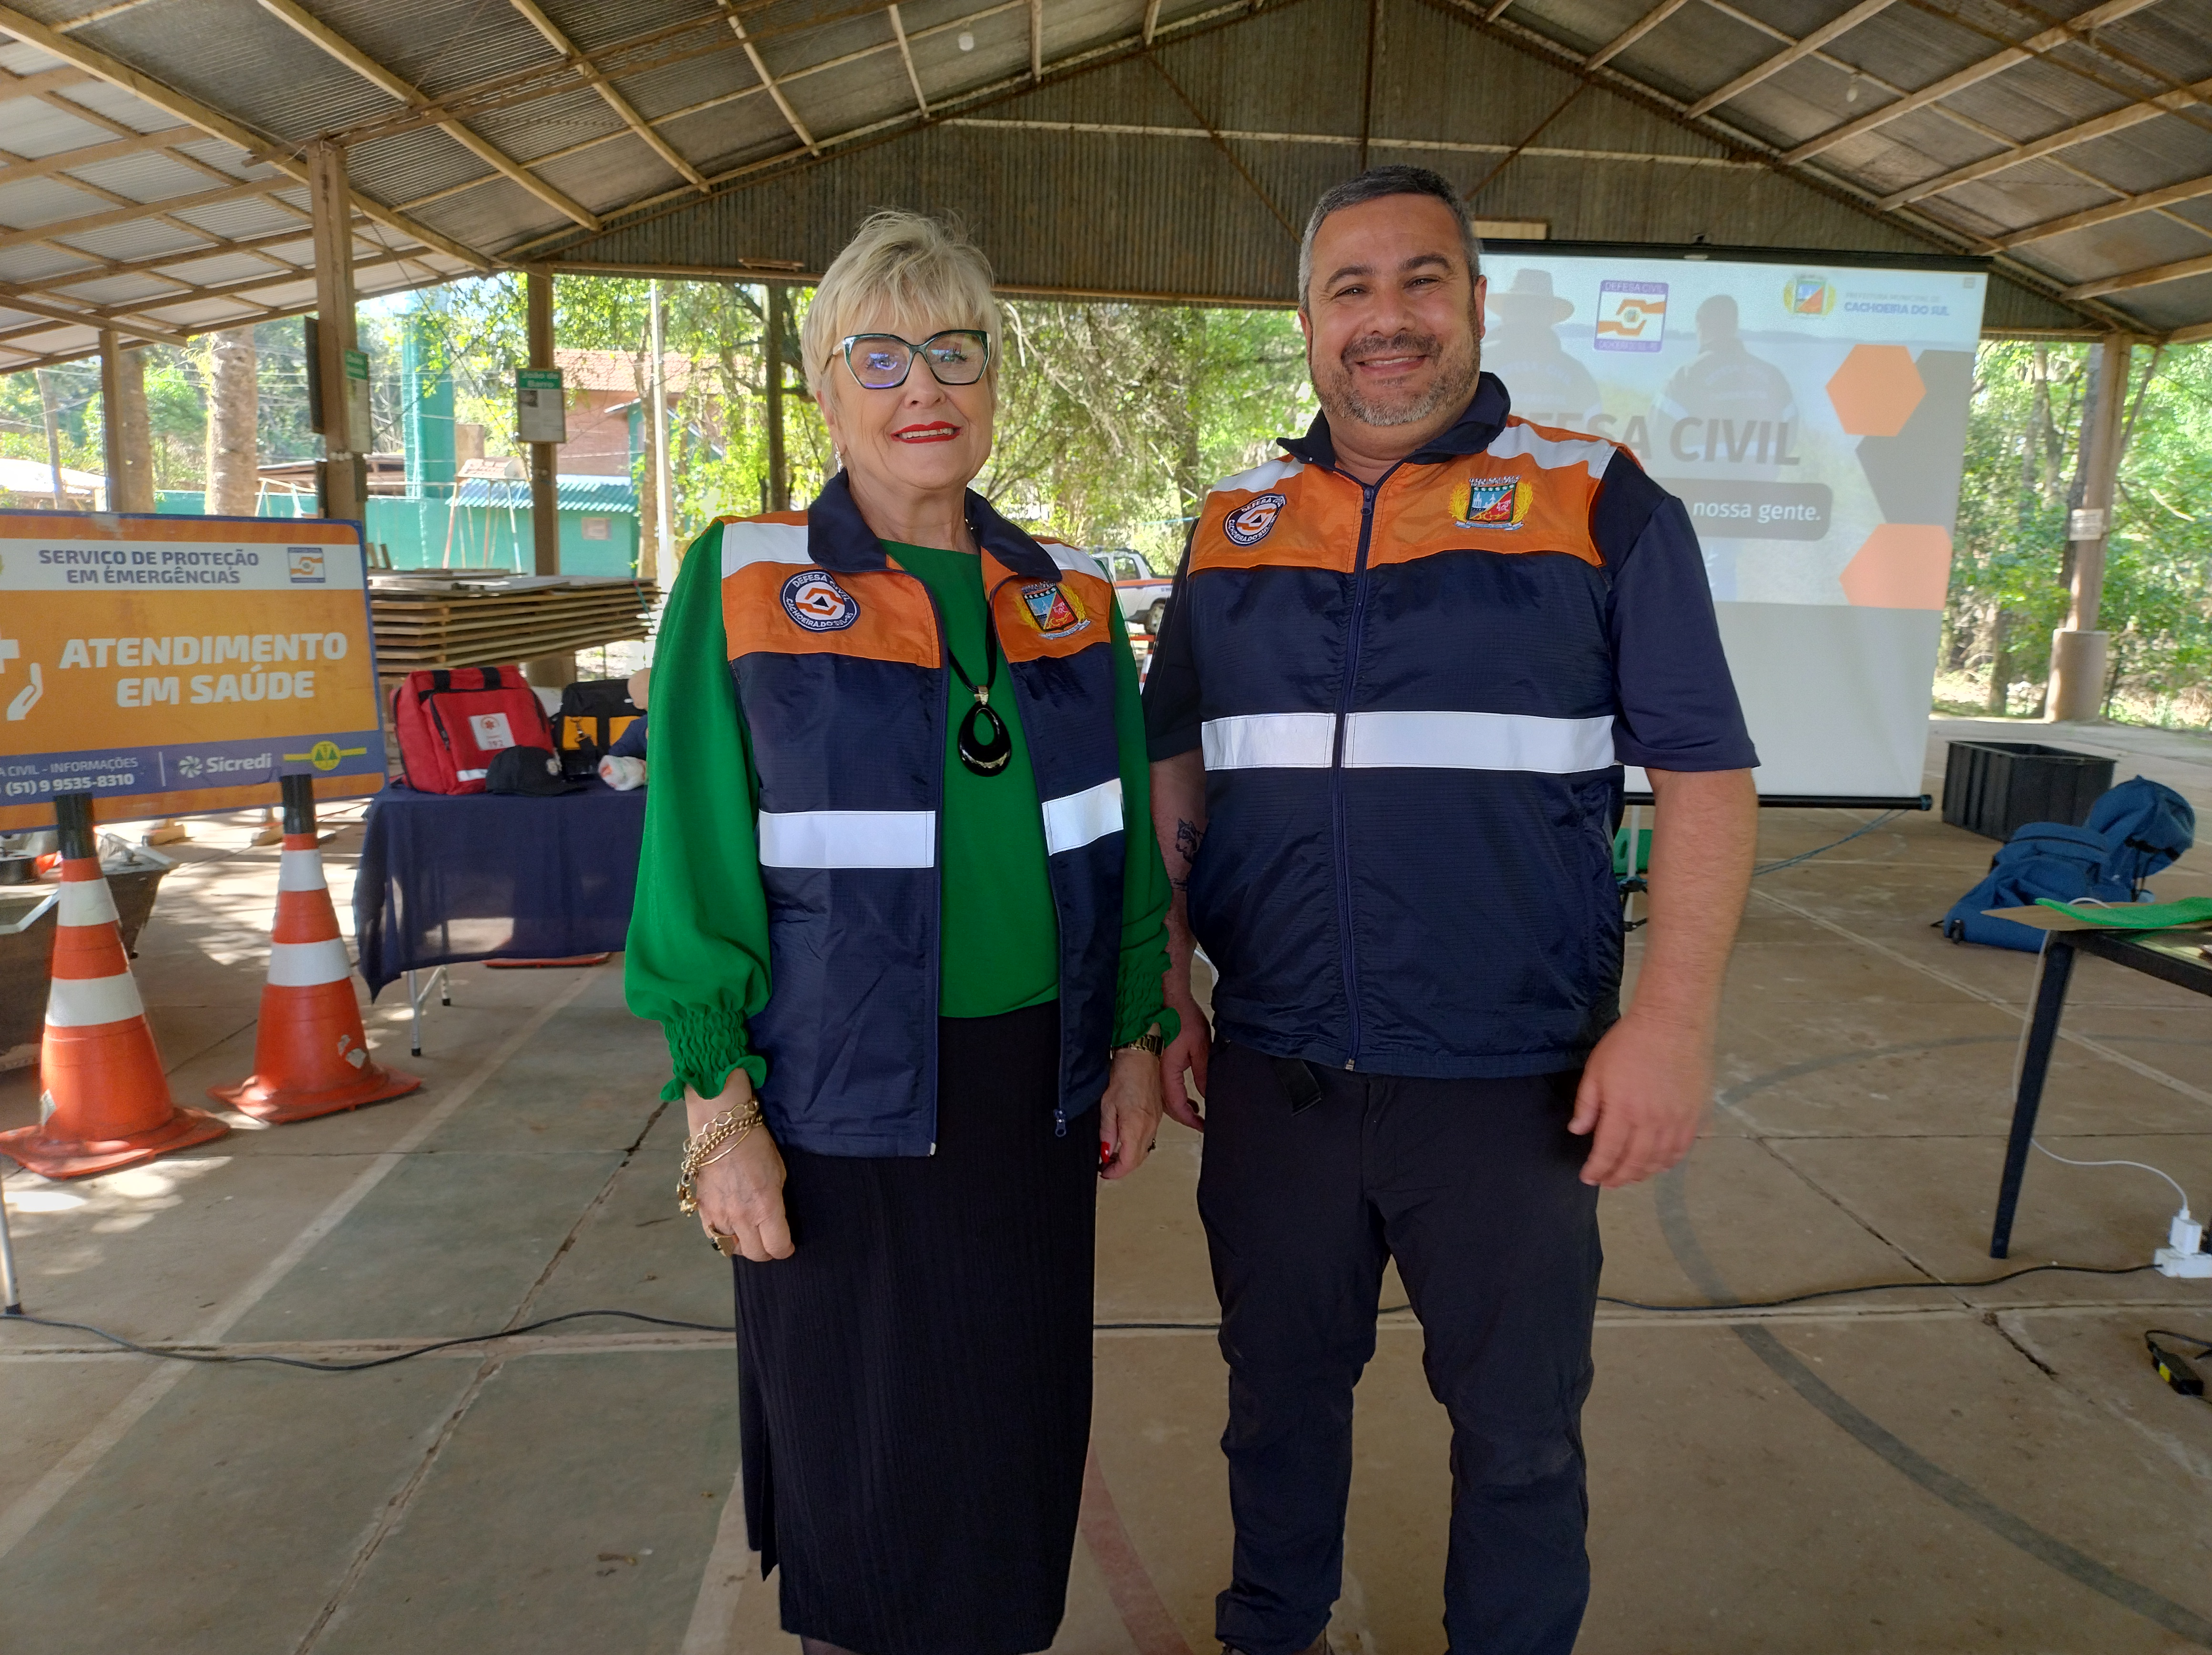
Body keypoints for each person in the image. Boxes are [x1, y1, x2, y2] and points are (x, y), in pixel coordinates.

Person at [1143, 165, 1760, 1655]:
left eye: (1421, 280)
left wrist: (1672, 1023)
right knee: (1276, 1402)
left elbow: (1704, 772)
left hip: (1509, 1080)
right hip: (1281, 1071)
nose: (1388, 318)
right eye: (1350, 289)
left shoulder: (1597, 500)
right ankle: (1270, 1629)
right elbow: (1174, 756)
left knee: (1521, 1435)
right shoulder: (1233, 526)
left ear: (1475, 302)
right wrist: (1164, 976)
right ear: (1307, 322)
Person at [626, 210, 1174, 1655]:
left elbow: (1120, 843)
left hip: (1032, 1094)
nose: (922, 387)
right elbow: (691, 863)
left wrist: (1133, 1035)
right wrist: (719, 1111)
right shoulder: (743, 580)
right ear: (826, 386)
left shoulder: (1069, 596)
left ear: (994, 381)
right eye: (880, 356)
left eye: (954, 351)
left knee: (1012, 1429)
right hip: (833, 1092)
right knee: (860, 1453)